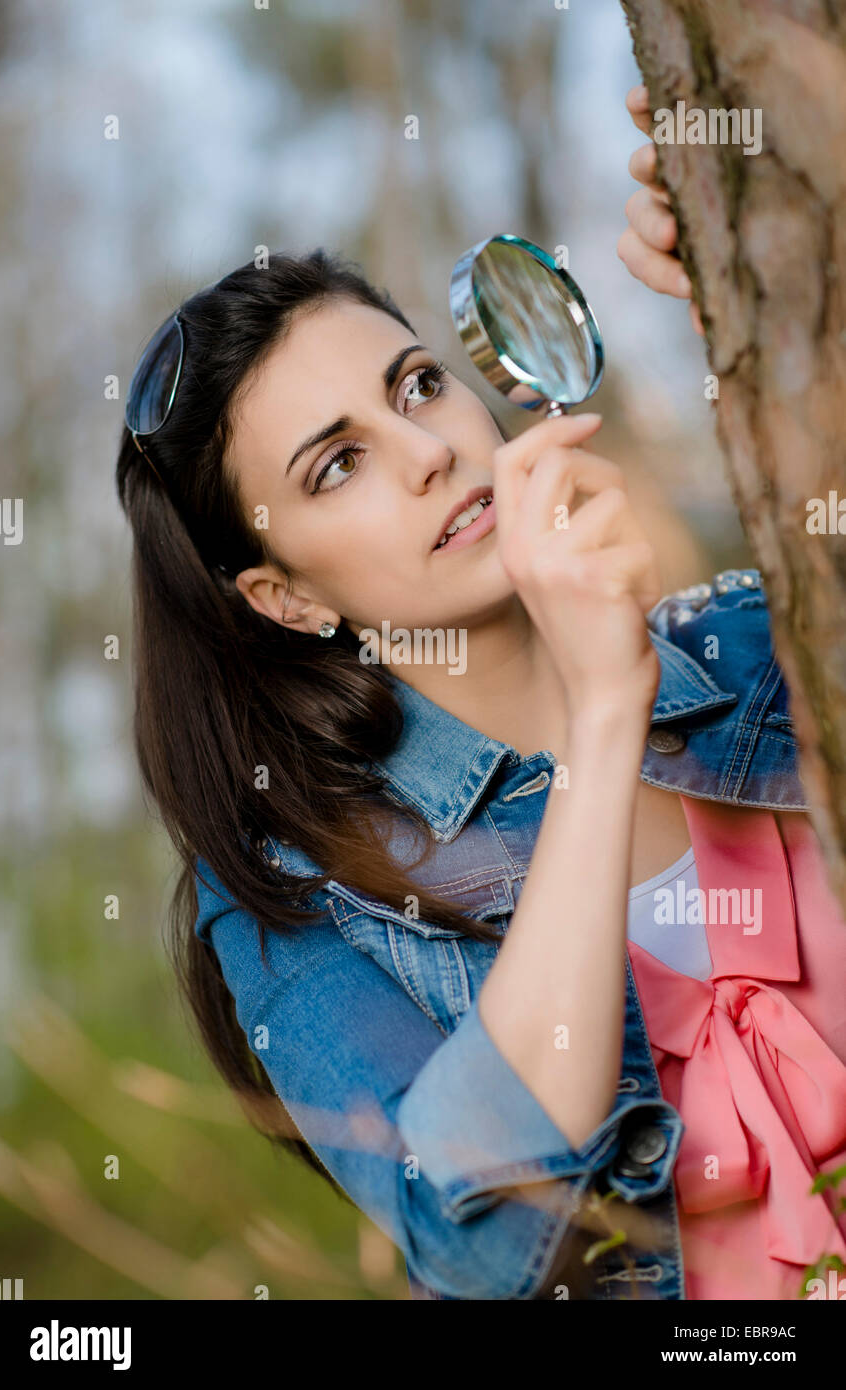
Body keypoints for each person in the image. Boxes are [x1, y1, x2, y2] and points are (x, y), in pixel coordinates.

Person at [115, 113, 846, 1299]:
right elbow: (482, 1240)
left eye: (416, 385)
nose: (426, 450)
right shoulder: (293, 895)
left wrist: (791, 288)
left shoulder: (759, 640)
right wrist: (604, 721)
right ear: (284, 596)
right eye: (335, 463)